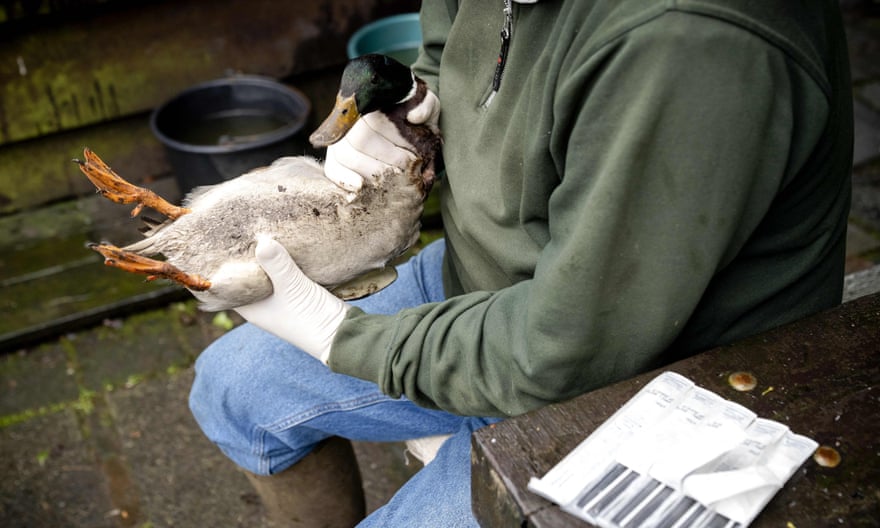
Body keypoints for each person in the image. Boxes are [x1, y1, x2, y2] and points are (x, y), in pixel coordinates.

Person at [189, 0, 853, 526]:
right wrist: (416, 111)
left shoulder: (690, 42)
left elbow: (569, 345)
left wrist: (345, 338)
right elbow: (458, 41)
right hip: (496, 286)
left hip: (647, 389)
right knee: (229, 386)